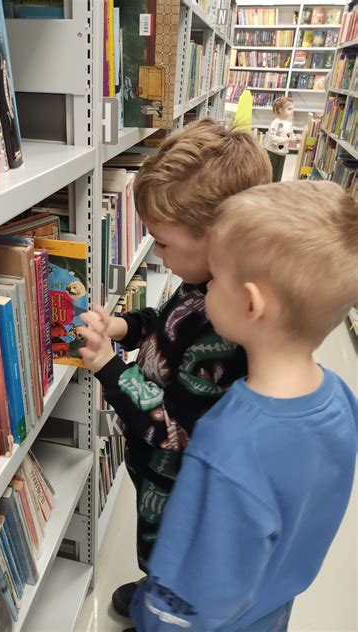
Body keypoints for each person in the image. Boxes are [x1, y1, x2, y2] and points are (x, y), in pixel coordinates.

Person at [129, 180, 358, 631]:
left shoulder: (228, 441)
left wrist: (153, 617)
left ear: (251, 303)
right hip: (270, 606)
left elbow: (193, 586)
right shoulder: (340, 398)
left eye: (216, 277)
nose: (205, 290)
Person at [79, 118, 272, 617]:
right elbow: (165, 323)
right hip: (155, 470)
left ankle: (163, 605)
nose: (158, 255)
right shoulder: (203, 283)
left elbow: (172, 431)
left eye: (162, 244)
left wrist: (107, 366)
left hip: (180, 480)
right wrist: (125, 328)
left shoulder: (225, 331)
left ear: (219, 239)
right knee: (158, 551)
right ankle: (155, 586)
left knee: (171, 553)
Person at [264, 96, 298, 182]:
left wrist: (294, 137)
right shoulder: (275, 123)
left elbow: (290, 133)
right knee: (271, 174)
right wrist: (286, 140)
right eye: (289, 109)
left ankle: (275, 187)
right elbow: (272, 138)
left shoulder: (288, 123)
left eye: (292, 109)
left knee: (278, 174)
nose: (292, 111)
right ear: (281, 110)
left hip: (282, 153)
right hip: (273, 152)